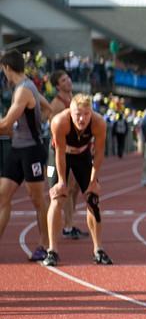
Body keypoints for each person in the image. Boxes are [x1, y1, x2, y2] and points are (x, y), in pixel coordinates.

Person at [42, 94, 113, 266]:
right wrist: (62, 183)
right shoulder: (60, 122)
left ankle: (98, 250)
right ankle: (52, 251)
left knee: (93, 200)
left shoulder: (99, 123)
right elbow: (59, 154)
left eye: (86, 114)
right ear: (70, 112)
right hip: (60, 155)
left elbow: (99, 154)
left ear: (92, 113)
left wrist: (94, 181)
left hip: (82, 156)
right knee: (57, 199)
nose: (82, 118)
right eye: (77, 114)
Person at [0, 49, 51, 261]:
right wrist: (29, 124)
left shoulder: (24, 90)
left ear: (7, 68)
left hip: (32, 151)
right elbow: (46, 108)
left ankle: (44, 245)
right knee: (2, 196)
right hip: (18, 148)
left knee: (37, 199)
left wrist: (28, 128)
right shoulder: (23, 88)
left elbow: (5, 124)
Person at [48, 70, 90, 240]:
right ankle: (67, 226)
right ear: (57, 86)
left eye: (68, 78)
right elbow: (55, 130)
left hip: (79, 149)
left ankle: (69, 223)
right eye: (63, 80)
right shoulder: (57, 104)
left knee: (75, 189)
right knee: (67, 188)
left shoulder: (75, 100)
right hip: (64, 150)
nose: (68, 82)